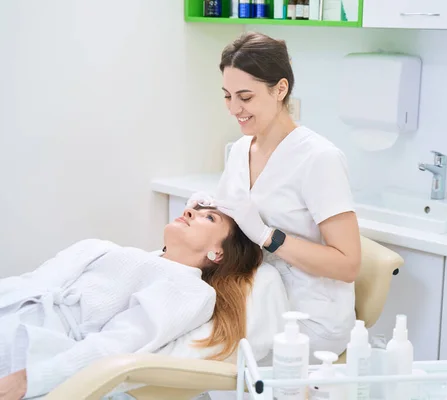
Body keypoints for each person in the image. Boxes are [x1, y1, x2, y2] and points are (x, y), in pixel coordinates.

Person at [188, 31, 362, 359]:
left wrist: (269, 237)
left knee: (202, 355)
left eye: (245, 97)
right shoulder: (240, 150)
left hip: (306, 319)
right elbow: (239, 224)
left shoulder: (318, 158)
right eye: (227, 96)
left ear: (280, 89)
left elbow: (348, 265)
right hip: (256, 300)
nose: (234, 108)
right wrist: (208, 212)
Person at [0, 205, 263, 400]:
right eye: (195, 208)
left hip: (25, 347)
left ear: (218, 253)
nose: (191, 211)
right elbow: (29, 284)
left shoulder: (190, 289)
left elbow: (117, 344)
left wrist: (30, 380)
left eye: (209, 217)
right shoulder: (100, 247)